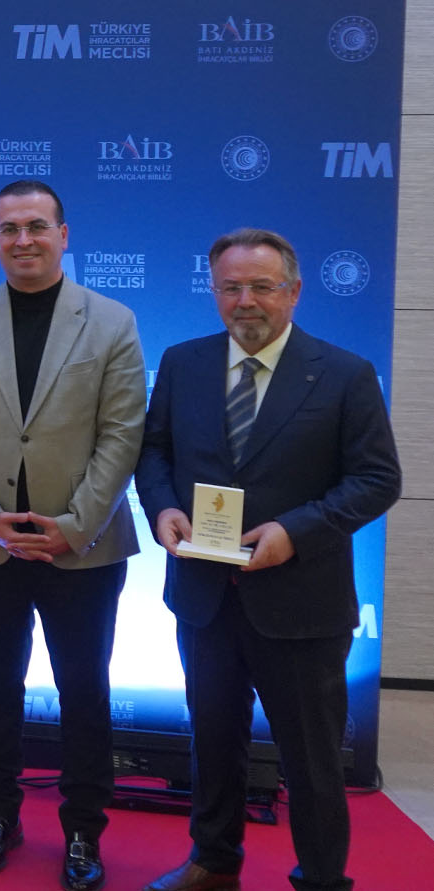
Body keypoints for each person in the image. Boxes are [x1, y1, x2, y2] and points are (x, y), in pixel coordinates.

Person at [136, 229, 401, 891]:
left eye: (261, 286)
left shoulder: (343, 373)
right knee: (212, 740)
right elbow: (154, 453)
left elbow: (377, 479)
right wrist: (162, 509)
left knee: (311, 759)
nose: (245, 300)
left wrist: (294, 530)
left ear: (293, 290)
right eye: (230, 287)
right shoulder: (182, 362)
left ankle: (320, 877)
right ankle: (213, 861)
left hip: (301, 602)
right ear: (213, 291)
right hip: (204, 595)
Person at [0, 181, 144, 890]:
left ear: (63, 234)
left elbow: (122, 433)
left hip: (83, 545)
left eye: (36, 226)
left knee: (83, 690)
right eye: (8, 228)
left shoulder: (112, 320)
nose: (22, 239)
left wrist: (75, 525)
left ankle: (83, 829)